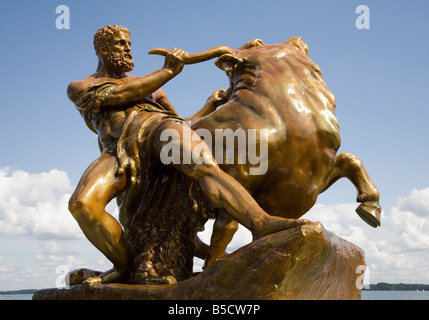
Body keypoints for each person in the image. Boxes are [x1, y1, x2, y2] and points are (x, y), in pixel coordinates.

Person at [67, 25, 307, 284]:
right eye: (119, 44)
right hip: (119, 151)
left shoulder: (154, 90)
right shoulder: (82, 86)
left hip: (157, 128)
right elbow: (120, 95)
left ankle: (261, 223)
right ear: (102, 49)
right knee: (82, 205)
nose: (127, 49)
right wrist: (168, 71)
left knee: (203, 166)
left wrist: (208, 104)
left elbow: (184, 121)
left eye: (128, 44)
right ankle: (123, 267)